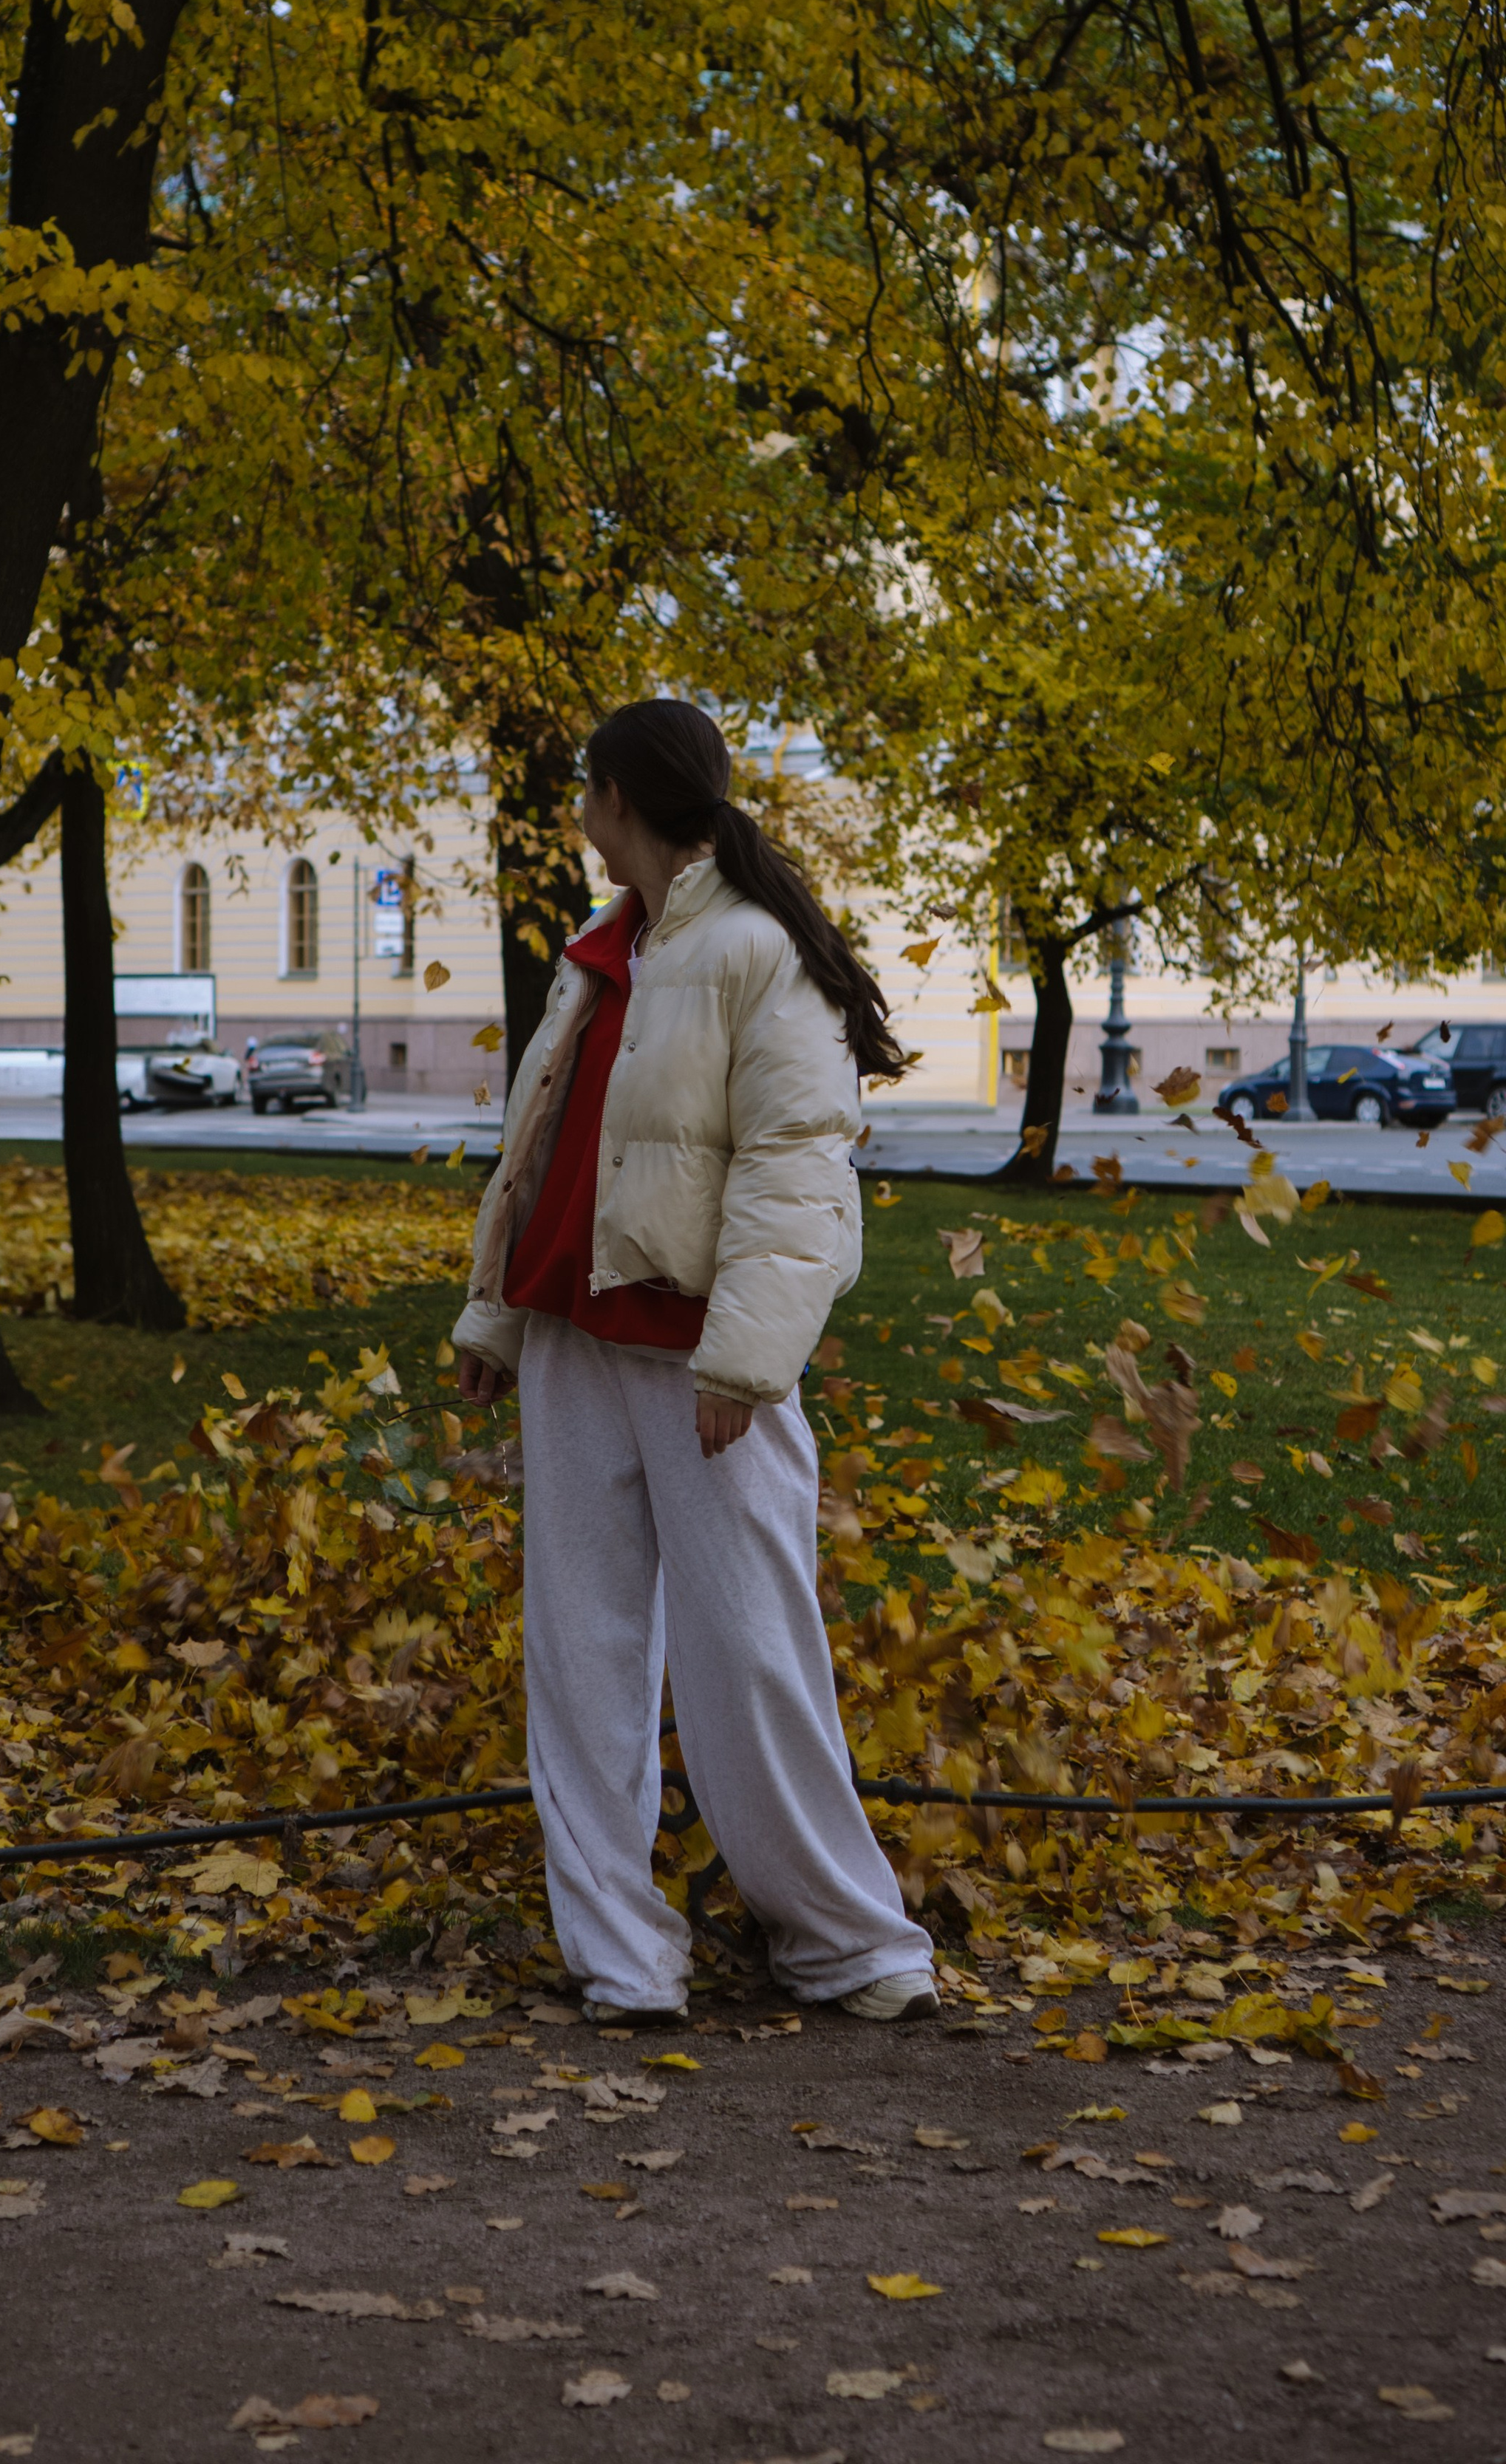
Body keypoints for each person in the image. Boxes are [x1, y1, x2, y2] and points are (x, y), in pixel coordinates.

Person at [453, 698, 937, 2026]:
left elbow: (797, 1174)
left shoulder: (756, 952)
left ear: (618, 796)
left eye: (583, 793)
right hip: (570, 1341)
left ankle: (852, 1946)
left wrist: (744, 1367)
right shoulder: (601, 950)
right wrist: (494, 1324)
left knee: (754, 1653)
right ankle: (623, 1957)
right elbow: (541, 1159)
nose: (576, 814)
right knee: (584, 1653)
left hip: (702, 1361)